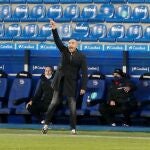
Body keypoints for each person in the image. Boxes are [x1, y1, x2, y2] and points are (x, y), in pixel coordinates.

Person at [42, 20, 88, 134]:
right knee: (53, 103)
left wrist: (83, 87)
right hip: (60, 82)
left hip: (71, 84)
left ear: (76, 45)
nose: (70, 45)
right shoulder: (64, 51)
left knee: (72, 106)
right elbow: (57, 41)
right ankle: (45, 125)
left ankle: (73, 129)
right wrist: (54, 29)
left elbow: (85, 72)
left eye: (72, 43)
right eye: (69, 43)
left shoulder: (81, 56)